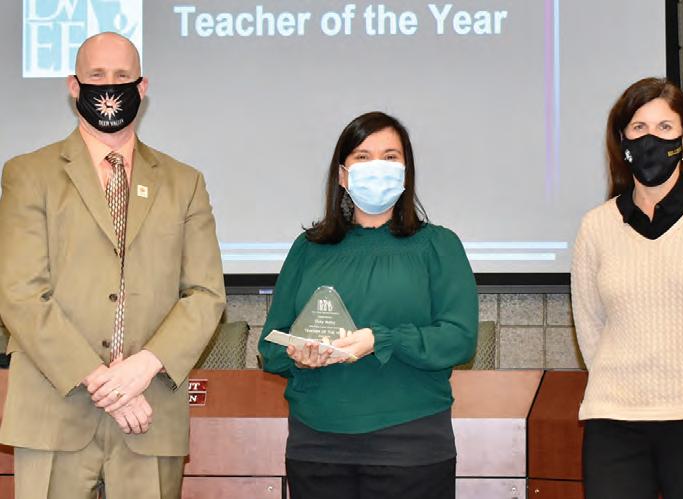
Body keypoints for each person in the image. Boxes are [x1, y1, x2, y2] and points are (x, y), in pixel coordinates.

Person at [0, 32, 226, 498]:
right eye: (97, 75)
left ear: (142, 88)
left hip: (151, 410)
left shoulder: (185, 183)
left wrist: (142, 368)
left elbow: (206, 296)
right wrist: (104, 381)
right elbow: (20, 293)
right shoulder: (28, 174)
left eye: (122, 76)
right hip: (53, 408)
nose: (109, 87)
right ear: (74, 86)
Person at [259, 111, 478, 499]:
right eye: (363, 156)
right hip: (316, 444)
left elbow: (459, 339)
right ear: (343, 175)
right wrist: (299, 354)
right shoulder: (308, 249)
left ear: (406, 172)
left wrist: (381, 339)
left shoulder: (439, 245)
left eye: (390, 157)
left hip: (411, 444)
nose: (377, 166)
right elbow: (270, 348)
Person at [572, 77, 683, 499]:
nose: (651, 139)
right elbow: (590, 327)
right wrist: (624, 378)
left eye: (665, 127)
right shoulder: (596, 225)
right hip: (615, 419)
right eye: (639, 128)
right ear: (622, 139)